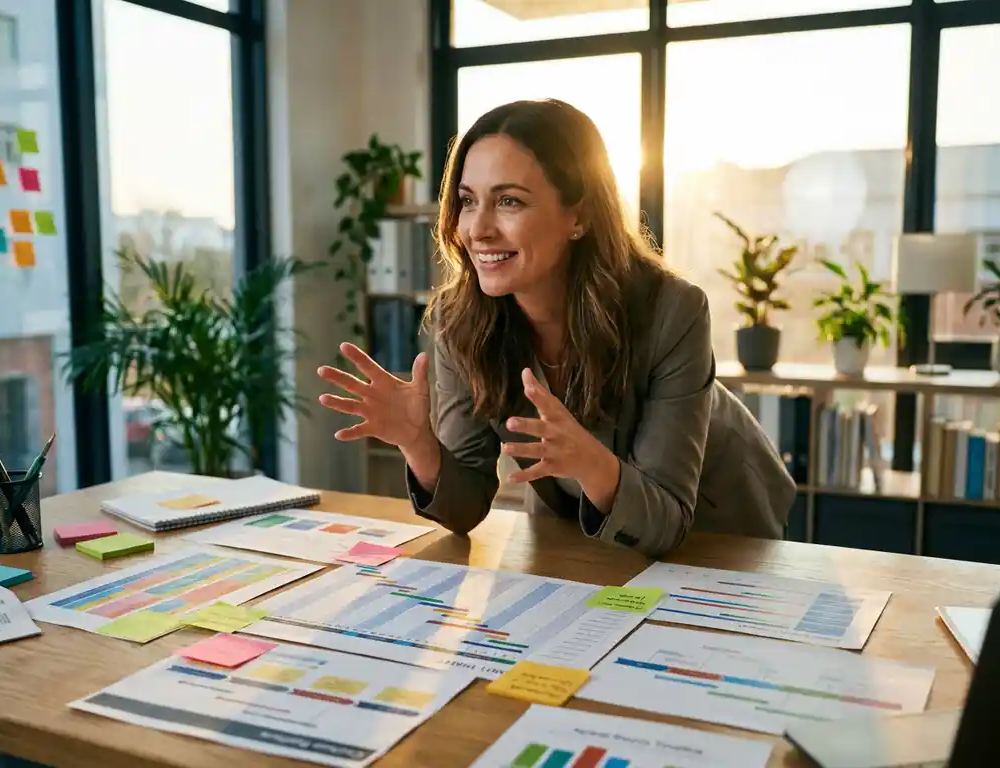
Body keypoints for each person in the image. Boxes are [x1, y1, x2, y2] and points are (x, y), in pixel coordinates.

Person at [318, 98, 796, 558]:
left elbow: (667, 518)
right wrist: (419, 444)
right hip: (585, 526)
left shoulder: (673, 310)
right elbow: (465, 507)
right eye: (467, 200)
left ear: (579, 215)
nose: (477, 229)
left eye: (508, 201)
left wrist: (590, 463)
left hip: (717, 520)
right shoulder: (460, 318)